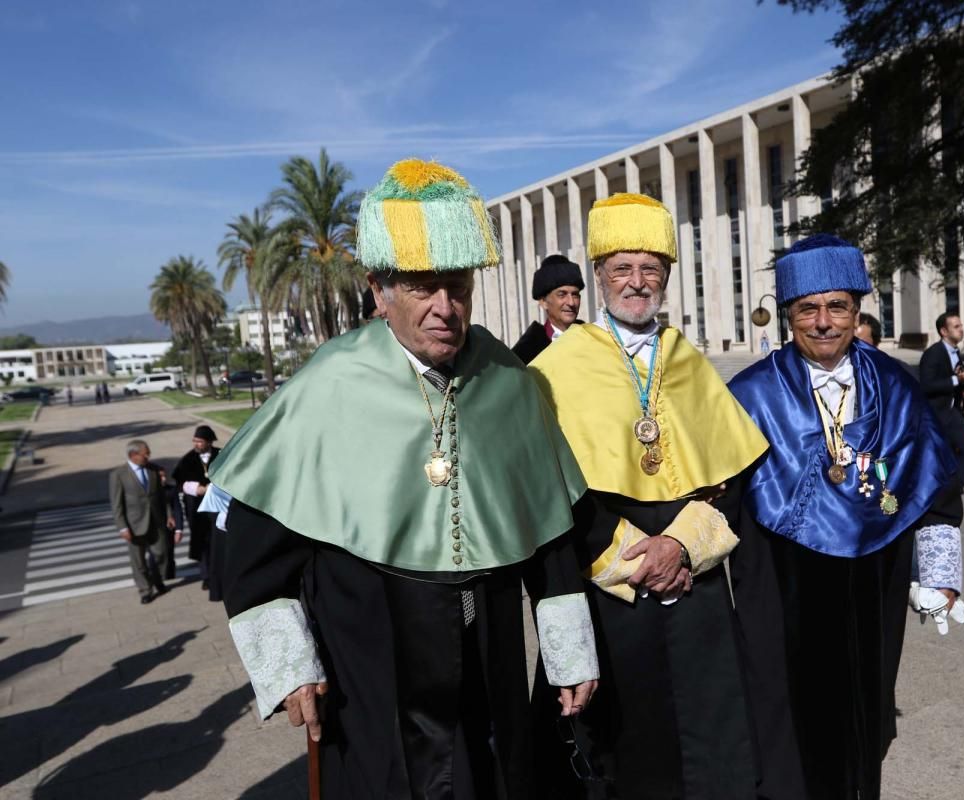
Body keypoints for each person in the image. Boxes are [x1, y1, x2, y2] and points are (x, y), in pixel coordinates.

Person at [208, 159, 599, 799]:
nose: (445, 308)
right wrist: (289, 667)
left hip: (487, 654)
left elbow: (551, 529)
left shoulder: (508, 379)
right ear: (378, 291)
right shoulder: (326, 384)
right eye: (421, 287)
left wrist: (568, 652)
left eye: (457, 287)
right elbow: (252, 551)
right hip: (370, 658)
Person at [528, 193, 770, 800]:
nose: (637, 283)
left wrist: (682, 548)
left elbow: (729, 474)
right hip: (611, 590)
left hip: (696, 587)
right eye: (621, 269)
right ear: (599, 275)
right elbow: (550, 483)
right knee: (619, 755)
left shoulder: (687, 359)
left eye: (649, 270)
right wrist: (638, 557)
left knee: (711, 751)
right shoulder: (560, 366)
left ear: (665, 275)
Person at [728, 234, 963, 800]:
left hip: (874, 581)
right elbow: (720, 498)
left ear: (857, 311)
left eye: (837, 306)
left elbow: (936, 487)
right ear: (789, 316)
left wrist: (938, 572)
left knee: (867, 716)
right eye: (808, 309)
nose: (824, 322)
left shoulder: (896, 385)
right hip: (782, 580)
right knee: (788, 728)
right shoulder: (748, 395)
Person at [108, 440, 178, 604]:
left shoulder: (154, 469)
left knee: (161, 554)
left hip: (156, 522)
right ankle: (146, 590)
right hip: (134, 526)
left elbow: (162, 496)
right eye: (145, 453)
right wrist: (122, 527)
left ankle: (156, 580)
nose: (148, 455)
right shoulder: (118, 475)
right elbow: (116, 504)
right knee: (139, 562)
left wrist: (169, 515)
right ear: (133, 455)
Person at [919, 312, 964, 485]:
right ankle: (945, 490)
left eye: (961, 326)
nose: (961, 330)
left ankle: (954, 488)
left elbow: (954, 383)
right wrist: (956, 380)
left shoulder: (956, 352)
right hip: (936, 413)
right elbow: (926, 386)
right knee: (938, 456)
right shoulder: (933, 353)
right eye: (956, 327)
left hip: (952, 412)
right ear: (944, 331)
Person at [171, 425, 221, 598]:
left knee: (219, 540)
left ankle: (220, 572)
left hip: (218, 507)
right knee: (202, 542)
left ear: (209, 442)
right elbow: (179, 481)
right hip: (197, 509)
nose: (197, 444)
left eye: (200, 441)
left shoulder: (221, 455)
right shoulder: (188, 459)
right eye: (195, 441)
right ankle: (206, 575)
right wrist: (196, 488)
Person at [512, 255, 585, 364]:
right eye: (562, 294)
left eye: (575, 295)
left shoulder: (591, 338)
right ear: (543, 302)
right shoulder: (526, 353)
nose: (571, 302)